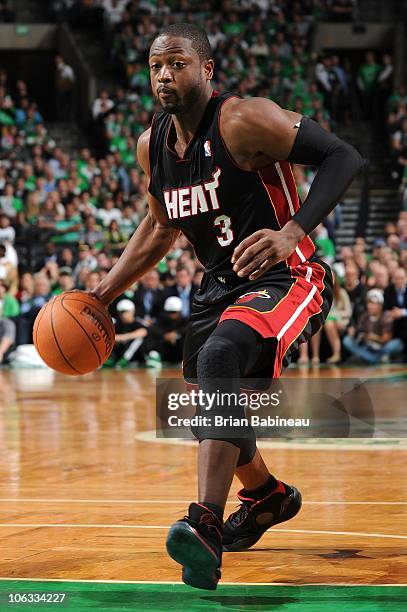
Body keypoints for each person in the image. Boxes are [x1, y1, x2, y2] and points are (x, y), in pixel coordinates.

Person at [91, 24, 362, 590]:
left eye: (178, 63)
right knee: (208, 405)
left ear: (207, 69)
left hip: (290, 275)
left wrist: (292, 231)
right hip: (217, 290)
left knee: (219, 362)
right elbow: (160, 227)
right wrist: (101, 295)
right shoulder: (152, 146)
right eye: (156, 65)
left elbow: (343, 156)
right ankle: (267, 496)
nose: (165, 75)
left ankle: (205, 525)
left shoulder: (244, 119)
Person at [343, 289, 404, 364]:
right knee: (347, 340)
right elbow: (360, 334)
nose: (370, 306)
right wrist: (354, 332)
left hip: (382, 346)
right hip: (368, 346)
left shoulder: (386, 316)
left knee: (396, 344)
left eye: (373, 304)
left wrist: (374, 338)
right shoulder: (364, 317)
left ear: (380, 305)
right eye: (369, 303)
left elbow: (386, 338)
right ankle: (375, 358)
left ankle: (369, 358)